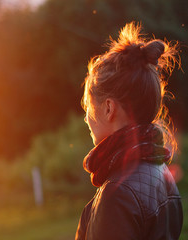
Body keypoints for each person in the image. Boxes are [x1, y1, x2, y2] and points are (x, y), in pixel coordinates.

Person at [75, 22, 183, 240]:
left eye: (88, 107)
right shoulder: (161, 171)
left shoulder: (116, 194)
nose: (86, 118)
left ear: (108, 109)